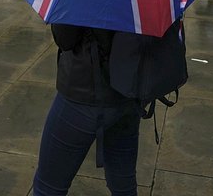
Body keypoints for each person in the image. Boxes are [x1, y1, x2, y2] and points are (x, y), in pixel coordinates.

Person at [32, 24, 140, 195]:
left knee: (48, 186)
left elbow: (65, 39)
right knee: (123, 182)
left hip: (83, 94)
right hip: (129, 92)